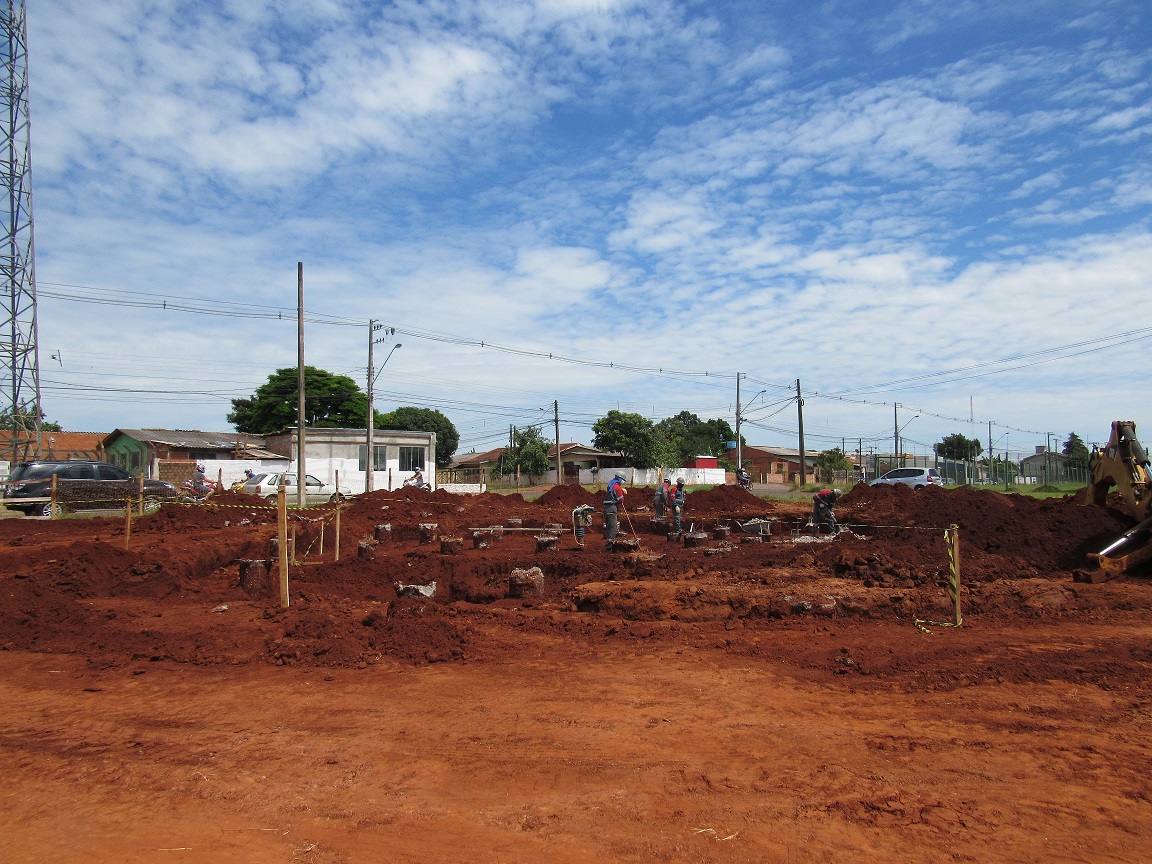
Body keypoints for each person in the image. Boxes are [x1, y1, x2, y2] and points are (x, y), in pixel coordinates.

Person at [603, 472, 627, 549]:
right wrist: (622, 493)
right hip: (612, 507)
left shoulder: (610, 485)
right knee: (612, 526)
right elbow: (621, 500)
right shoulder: (617, 487)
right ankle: (611, 544)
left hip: (606, 507)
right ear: (620, 479)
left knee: (609, 526)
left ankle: (609, 542)